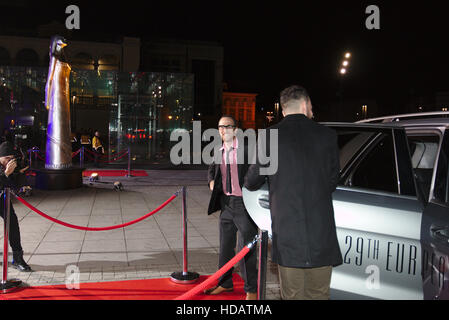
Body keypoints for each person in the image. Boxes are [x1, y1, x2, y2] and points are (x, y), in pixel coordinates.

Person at [244, 85, 342, 300]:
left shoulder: (270, 136)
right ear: (306, 104)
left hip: (288, 235)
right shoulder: (327, 135)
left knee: (293, 295)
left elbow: (252, 181)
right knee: (319, 295)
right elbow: (333, 181)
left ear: (283, 109)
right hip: (321, 235)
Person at [205, 115, 258, 300]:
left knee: (247, 249)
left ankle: (251, 289)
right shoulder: (218, 150)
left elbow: (259, 173)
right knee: (225, 248)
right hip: (225, 204)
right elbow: (211, 169)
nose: (222, 130)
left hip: (244, 205)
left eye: (227, 126)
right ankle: (225, 284)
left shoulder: (247, 149)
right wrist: (211, 181)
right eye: (220, 126)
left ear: (235, 130)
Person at [0, 141, 32, 272]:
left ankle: (18, 258)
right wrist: (6, 173)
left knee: (12, 223)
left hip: (2, 198)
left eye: (11, 158)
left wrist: (20, 173)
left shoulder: (10, 166)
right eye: (7, 158)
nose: (9, 161)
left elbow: (15, 186)